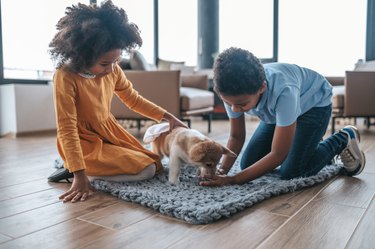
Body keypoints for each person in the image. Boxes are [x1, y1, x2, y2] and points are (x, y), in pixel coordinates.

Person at [48, 0, 187, 202]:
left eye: (116, 61)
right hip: (83, 141)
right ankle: (79, 171)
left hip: (108, 132)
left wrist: (168, 117)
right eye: (105, 63)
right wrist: (80, 175)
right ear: (83, 56)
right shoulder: (65, 76)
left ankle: (79, 167)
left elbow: (134, 100)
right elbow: (66, 127)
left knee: (154, 163)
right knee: (145, 170)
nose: (112, 69)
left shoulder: (113, 71)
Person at [200, 47, 366, 187]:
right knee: (247, 164)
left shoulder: (284, 90)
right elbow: (236, 137)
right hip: (278, 114)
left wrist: (233, 179)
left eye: (242, 104)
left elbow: (278, 154)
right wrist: (221, 170)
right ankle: (310, 147)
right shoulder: (233, 94)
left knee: (292, 171)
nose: (235, 109)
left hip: (313, 106)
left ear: (262, 88)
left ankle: (342, 138)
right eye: (228, 103)